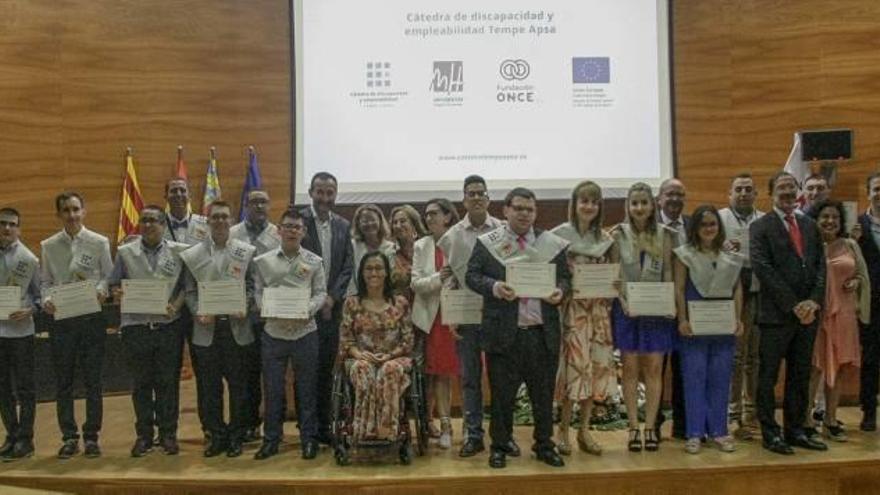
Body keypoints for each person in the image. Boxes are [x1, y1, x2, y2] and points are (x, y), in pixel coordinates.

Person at [466, 187, 570, 469]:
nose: (525, 214)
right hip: (503, 334)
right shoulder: (489, 243)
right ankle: (499, 445)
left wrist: (560, 292)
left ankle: (544, 445)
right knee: (501, 396)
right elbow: (472, 276)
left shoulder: (551, 243)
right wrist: (495, 287)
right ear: (506, 210)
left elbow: (565, 279)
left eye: (530, 209)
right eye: (519, 208)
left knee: (543, 395)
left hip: (541, 333)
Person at [751, 171, 827, 455]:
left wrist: (813, 302)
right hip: (776, 316)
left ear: (798, 192)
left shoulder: (809, 225)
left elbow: (821, 267)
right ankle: (771, 433)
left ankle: (795, 430)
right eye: (781, 188)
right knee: (768, 377)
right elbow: (763, 269)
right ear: (771, 193)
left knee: (800, 374)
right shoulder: (760, 227)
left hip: (808, 316)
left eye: (791, 187)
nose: (786, 192)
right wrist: (793, 304)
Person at [109, 205, 188, 457]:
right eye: (144, 220)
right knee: (141, 384)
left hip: (167, 327)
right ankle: (144, 435)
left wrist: (175, 307)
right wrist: (117, 293)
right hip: (136, 328)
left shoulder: (179, 252)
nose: (149, 225)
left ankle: (168, 434)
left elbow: (187, 287)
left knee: (168, 384)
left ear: (164, 225)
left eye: (154, 220)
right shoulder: (125, 252)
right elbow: (113, 284)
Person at [180, 200, 257, 458]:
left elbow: (251, 286)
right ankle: (215, 435)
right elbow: (189, 292)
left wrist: (245, 305)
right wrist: (197, 311)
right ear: (208, 221)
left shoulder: (246, 251)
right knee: (209, 388)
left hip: (237, 328)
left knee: (238, 387)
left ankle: (236, 435)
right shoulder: (193, 254)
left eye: (225, 216)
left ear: (232, 219)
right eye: (215, 217)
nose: (221, 221)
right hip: (206, 330)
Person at [40, 192, 113, 459]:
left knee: (93, 382)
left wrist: (103, 290)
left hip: (91, 320)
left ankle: (92, 436)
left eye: (75, 209)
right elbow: (45, 283)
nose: (71, 215)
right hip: (62, 322)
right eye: (66, 210)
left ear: (84, 211)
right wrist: (46, 299)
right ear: (58, 214)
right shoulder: (48, 246)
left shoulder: (99, 242)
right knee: (64, 383)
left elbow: (108, 275)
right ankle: (69, 436)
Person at [437, 174, 504, 458]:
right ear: (463, 199)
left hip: (499, 314)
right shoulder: (451, 236)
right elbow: (449, 278)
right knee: (469, 379)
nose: (476, 197)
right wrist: (450, 313)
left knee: (501, 378)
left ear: (488, 198)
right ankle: (472, 435)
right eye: (471, 193)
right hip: (465, 315)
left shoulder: (503, 229)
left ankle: (502, 436)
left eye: (481, 193)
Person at [550, 181, 617, 456]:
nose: (589, 206)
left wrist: (614, 289)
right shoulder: (558, 237)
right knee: (572, 370)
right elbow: (551, 275)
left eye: (594, 201)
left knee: (595, 371)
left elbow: (613, 276)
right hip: (572, 313)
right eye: (584, 200)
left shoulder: (606, 239)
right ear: (574, 204)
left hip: (599, 314)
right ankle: (563, 430)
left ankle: (584, 431)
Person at [252, 209, 326, 460]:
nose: (292, 231)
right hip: (274, 333)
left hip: (305, 333)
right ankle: (271, 439)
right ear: (279, 230)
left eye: (297, 227)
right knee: (272, 390)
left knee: (306, 389)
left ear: (304, 232)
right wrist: (265, 307)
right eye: (288, 226)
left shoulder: (314, 261)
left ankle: (308, 439)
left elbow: (320, 293)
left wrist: (309, 309)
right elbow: (258, 292)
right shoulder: (263, 262)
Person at [610, 183, 677, 453]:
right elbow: (615, 275)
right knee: (629, 370)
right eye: (634, 203)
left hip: (657, 312)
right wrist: (623, 302)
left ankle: (650, 427)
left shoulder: (665, 234)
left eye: (644, 203)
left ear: (653, 205)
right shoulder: (617, 234)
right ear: (628, 206)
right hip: (626, 310)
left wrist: (670, 303)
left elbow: (669, 273)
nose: (639, 208)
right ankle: (632, 427)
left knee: (653, 369)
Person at [673, 205, 744, 454]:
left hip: (723, 327)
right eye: (703, 224)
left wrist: (738, 319)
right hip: (694, 327)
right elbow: (679, 289)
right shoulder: (684, 254)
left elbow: (737, 289)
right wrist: (682, 319)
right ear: (695, 228)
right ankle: (694, 432)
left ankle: (720, 431)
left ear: (719, 227)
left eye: (713, 224)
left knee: (720, 379)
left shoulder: (730, 257)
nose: (709, 228)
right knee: (694, 378)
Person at [804, 200, 869, 442]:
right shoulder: (809, 246)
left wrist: (857, 282)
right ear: (815, 220)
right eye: (824, 217)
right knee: (814, 368)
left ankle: (831, 419)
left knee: (840, 367)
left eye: (834, 217)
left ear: (841, 222)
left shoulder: (850, 244)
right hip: (818, 316)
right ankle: (806, 420)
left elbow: (862, 275)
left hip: (845, 314)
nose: (829, 221)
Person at [300, 172, 354, 444]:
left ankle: (324, 428)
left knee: (325, 373)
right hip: (303, 311)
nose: (324, 198)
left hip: (332, 313)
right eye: (320, 192)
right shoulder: (298, 221)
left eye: (330, 192)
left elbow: (347, 267)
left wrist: (331, 298)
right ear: (310, 192)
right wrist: (315, 301)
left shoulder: (344, 225)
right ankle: (306, 431)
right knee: (305, 373)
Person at [339, 251, 414, 442]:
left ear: (387, 272)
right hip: (361, 357)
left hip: (394, 358)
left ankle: (386, 431)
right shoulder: (352, 303)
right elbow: (346, 340)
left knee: (389, 370)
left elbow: (408, 341)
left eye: (379, 268)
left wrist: (389, 356)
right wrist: (360, 355)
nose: (374, 273)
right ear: (362, 273)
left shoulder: (400, 303)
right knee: (364, 369)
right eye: (369, 268)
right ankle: (365, 430)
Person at [230, 189, 281, 443]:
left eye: (263, 201)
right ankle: (249, 424)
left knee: (272, 374)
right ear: (246, 205)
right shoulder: (232, 234)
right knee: (246, 374)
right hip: (240, 316)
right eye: (254, 202)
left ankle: (275, 426)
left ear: (269, 206)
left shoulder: (278, 235)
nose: (259, 205)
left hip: (271, 316)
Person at [718, 172, 765, 440]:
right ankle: (732, 413)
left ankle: (752, 411)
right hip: (729, 292)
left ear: (756, 194)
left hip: (758, 290)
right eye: (739, 189)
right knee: (735, 356)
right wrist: (721, 246)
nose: (744, 193)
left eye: (749, 189)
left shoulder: (765, 220)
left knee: (754, 357)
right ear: (730, 194)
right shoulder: (720, 218)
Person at [411, 198, 460, 449]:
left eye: (434, 213)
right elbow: (416, 284)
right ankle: (441, 425)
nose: (428, 218)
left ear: (447, 217)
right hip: (432, 318)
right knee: (436, 375)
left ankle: (458, 427)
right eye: (426, 214)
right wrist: (438, 278)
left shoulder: (460, 240)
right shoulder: (421, 245)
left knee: (453, 374)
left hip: (459, 317)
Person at [0, 207, 40, 461]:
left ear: (19, 228)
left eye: (12, 224)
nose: (6, 228)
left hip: (21, 332)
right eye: (2, 223)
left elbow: (39, 296)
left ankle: (26, 438)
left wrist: (30, 310)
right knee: (2, 389)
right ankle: (11, 434)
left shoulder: (30, 259)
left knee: (25, 388)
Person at [656, 177, 689, 440]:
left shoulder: (693, 226)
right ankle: (653, 424)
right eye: (670, 194)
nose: (675, 199)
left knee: (683, 367)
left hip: (688, 307)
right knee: (656, 367)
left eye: (680, 195)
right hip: (655, 307)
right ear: (659, 199)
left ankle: (682, 424)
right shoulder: (649, 228)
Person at [855, 172, 880, 431]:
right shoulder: (858, 225)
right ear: (868, 191)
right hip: (870, 301)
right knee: (871, 357)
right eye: (877, 188)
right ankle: (869, 409)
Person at [347, 204, 396, 297]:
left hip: (385, 298)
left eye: (373, 220)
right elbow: (350, 276)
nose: (369, 224)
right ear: (358, 224)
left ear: (380, 221)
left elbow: (391, 277)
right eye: (365, 221)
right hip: (357, 297)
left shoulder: (391, 248)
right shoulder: (352, 246)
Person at [389, 204, 427, 304]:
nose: (398, 226)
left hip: (426, 307)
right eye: (395, 222)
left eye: (402, 221)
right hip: (399, 309)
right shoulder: (390, 253)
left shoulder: (427, 248)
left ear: (414, 224)